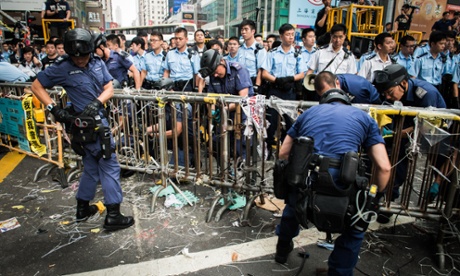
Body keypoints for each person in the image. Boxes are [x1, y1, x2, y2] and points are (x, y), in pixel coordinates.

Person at [275, 84, 391, 274]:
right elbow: (384, 167)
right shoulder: (365, 118)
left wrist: (289, 182)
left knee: (293, 208)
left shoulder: (308, 113)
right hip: (345, 184)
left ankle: (282, 249)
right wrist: (374, 198)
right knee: (355, 228)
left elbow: (283, 153)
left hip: (309, 180)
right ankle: (339, 271)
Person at [31, 28, 134, 231]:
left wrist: (97, 102)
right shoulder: (61, 68)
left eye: (84, 56)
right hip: (82, 127)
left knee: (91, 168)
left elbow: (109, 88)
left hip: (98, 120)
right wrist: (54, 109)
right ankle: (113, 215)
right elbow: (36, 86)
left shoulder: (97, 63)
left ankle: (82, 208)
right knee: (110, 167)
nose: (80, 60)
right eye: (75, 57)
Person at [373, 64, 445, 213]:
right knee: (396, 158)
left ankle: (447, 206)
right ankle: (387, 201)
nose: (387, 96)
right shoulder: (393, 94)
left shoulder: (426, 94)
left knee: (441, 165)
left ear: (404, 84)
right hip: (408, 127)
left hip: (436, 132)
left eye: (390, 92)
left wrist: (401, 133)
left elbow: (427, 125)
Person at [199, 49, 254, 161]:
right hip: (224, 117)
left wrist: (224, 109)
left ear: (222, 61)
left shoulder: (239, 70)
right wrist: (213, 112)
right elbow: (211, 98)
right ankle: (225, 172)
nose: (215, 75)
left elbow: (243, 98)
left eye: (216, 71)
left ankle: (241, 173)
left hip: (241, 115)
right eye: (212, 73)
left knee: (240, 148)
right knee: (216, 145)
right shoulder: (214, 76)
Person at [262, 23, 305, 159]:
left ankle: (286, 151)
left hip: (289, 92)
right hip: (275, 90)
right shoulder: (273, 53)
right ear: (281, 36)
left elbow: (302, 73)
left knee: (290, 122)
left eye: (292, 34)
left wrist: (290, 78)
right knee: (271, 122)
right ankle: (267, 148)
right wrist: (276, 80)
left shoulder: (297, 53)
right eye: (287, 34)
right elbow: (265, 73)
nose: (291, 37)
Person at [162, 27, 201, 92]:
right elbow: (166, 71)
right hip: (172, 87)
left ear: (186, 39)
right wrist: (166, 87)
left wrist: (197, 90)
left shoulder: (193, 54)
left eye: (180, 39)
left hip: (187, 86)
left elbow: (197, 74)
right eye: (176, 38)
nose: (177, 41)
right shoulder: (170, 54)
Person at [313, 71, 381, 104]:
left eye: (330, 93)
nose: (328, 97)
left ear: (337, 83)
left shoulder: (358, 88)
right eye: (324, 95)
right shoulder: (319, 92)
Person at [237, 19, 267, 93]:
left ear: (253, 31)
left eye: (246, 29)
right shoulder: (240, 49)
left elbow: (260, 70)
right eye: (242, 29)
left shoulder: (259, 49)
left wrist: (256, 87)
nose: (243, 32)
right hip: (239, 82)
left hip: (252, 82)